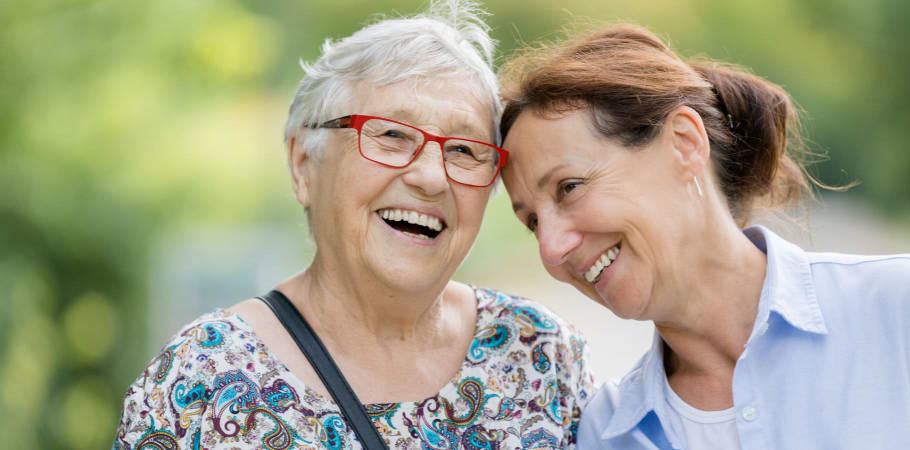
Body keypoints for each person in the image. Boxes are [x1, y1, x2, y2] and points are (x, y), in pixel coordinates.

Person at [112, 2, 593, 448]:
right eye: (391, 135)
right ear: (304, 165)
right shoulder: (200, 381)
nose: (429, 177)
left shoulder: (540, 353)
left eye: (464, 150)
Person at [498, 24, 910, 449]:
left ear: (684, 144)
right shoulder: (608, 433)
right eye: (532, 221)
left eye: (569, 188)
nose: (551, 248)